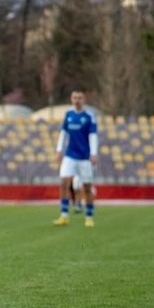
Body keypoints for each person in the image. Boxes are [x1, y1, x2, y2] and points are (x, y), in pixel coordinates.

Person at [53, 90, 98, 228]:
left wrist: (94, 153)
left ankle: (89, 216)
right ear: (71, 99)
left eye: (79, 97)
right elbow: (63, 132)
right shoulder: (68, 114)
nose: (77, 100)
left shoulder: (89, 116)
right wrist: (59, 150)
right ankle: (64, 215)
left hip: (84, 157)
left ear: (83, 99)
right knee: (64, 183)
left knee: (87, 186)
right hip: (70, 155)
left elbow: (93, 135)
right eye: (74, 97)